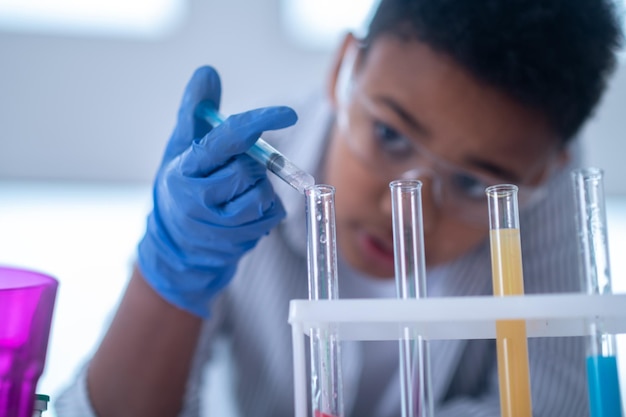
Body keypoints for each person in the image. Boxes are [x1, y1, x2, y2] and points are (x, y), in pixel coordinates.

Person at [55, 0, 623, 416]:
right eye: (389, 134)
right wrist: (168, 271)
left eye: (475, 185)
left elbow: (563, 402)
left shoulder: (533, 197)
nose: (409, 214)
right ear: (344, 66)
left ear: (550, 168)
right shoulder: (232, 183)